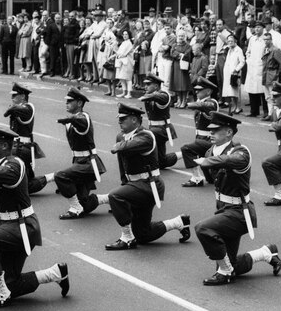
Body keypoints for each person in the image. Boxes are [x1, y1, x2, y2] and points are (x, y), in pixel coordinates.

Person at [0, 124, 69, 309]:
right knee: (12, 283)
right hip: (10, 225)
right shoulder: (1, 163)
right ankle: (54, 273)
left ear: (5, 146)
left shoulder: (14, 164)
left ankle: (0, 292)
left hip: (21, 227)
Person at [193, 111, 281, 285]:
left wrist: (207, 161)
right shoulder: (211, 150)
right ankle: (265, 253)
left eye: (216, 130)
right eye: (210, 130)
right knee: (231, 264)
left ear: (228, 132)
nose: (211, 132)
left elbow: (230, 160)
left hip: (239, 213)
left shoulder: (241, 151)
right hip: (223, 209)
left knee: (203, 229)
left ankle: (225, 272)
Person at [99, 103, 191, 250]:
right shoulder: (121, 136)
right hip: (135, 185)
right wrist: (125, 185)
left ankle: (127, 239)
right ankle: (178, 222)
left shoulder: (146, 136)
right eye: (119, 118)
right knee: (143, 234)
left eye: (124, 118)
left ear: (135, 120)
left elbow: (131, 145)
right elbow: (122, 164)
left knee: (115, 196)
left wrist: (118, 146)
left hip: (149, 185)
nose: (119, 121)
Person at [54, 87, 107, 219]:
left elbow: (82, 123)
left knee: (60, 176)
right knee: (84, 203)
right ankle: (111, 198)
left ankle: (74, 208)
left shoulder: (83, 117)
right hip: (79, 161)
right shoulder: (73, 119)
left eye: (70, 101)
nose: (66, 103)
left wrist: (71, 120)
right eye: (66, 101)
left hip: (88, 163)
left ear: (79, 103)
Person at [3, 82, 48, 194]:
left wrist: (12, 108)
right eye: (12, 95)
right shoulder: (17, 108)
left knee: (26, 185)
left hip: (23, 148)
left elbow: (18, 110)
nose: (12, 97)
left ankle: (51, 177)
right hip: (14, 146)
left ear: (23, 96)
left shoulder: (28, 108)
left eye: (15, 95)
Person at [179, 78, 219, 188]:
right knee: (211, 179)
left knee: (186, 149)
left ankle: (196, 178)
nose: (196, 92)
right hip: (200, 139)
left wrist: (195, 104)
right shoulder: (200, 102)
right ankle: (199, 177)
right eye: (196, 90)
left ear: (208, 91)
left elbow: (206, 106)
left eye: (200, 90)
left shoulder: (212, 103)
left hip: (210, 141)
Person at [139, 74, 179, 169]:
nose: (145, 87)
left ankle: (143, 162)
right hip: (154, 129)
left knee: (144, 136)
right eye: (145, 84)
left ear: (156, 86)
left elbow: (159, 97)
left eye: (148, 84)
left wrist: (149, 96)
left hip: (162, 129)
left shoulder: (164, 95)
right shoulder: (149, 96)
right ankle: (183, 154)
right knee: (162, 162)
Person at [260, 31, 281, 119]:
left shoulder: (275, 50)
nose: (266, 41)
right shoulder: (264, 49)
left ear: (271, 40)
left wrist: (279, 73)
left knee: (274, 96)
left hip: (272, 75)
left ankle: (276, 115)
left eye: (268, 39)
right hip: (265, 74)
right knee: (268, 97)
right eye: (264, 40)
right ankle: (270, 114)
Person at [244, 21, 266, 117]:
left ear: (262, 28)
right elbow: (248, 51)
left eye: (258, 27)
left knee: (263, 90)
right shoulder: (252, 39)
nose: (256, 29)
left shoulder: (265, 39)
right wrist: (249, 59)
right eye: (255, 27)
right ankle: (254, 111)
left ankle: (266, 112)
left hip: (261, 66)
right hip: (252, 66)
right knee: (252, 89)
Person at [221, 34, 245, 115]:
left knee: (235, 90)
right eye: (228, 41)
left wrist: (236, 70)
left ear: (235, 41)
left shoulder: (239, 50)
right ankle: (235, 106)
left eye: (231, 41)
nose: (230, 42)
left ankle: (238, 107)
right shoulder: (229, 49)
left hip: (235, 73)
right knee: (231, 91)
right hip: (228, 72)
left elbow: (242, 62)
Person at [169, 30, 193, 107]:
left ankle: (184, 100)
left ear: (184, 37)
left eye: (182, 36)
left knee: (183, 83)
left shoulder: (188, 46)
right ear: (177, 36)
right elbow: (172, 53)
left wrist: (181, 55)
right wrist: (180, 55)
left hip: (184, 66)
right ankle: (179, 99)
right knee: (177, 83)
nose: (181, 37)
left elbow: (188, 54)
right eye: (179, 36)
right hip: (176, 65)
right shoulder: (174, 45)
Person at [115, 29, 135, 98]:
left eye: (126, 34)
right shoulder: (123, 43)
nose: (125, 36)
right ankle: (124, 92)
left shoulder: (129, 43)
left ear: (129, 35)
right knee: (122, 78)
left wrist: (119, 54)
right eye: (123, 34)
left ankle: (129, 93)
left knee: (128, 78)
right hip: (121, 62)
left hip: (127, 62)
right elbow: (119, 52)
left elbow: (124, 53)